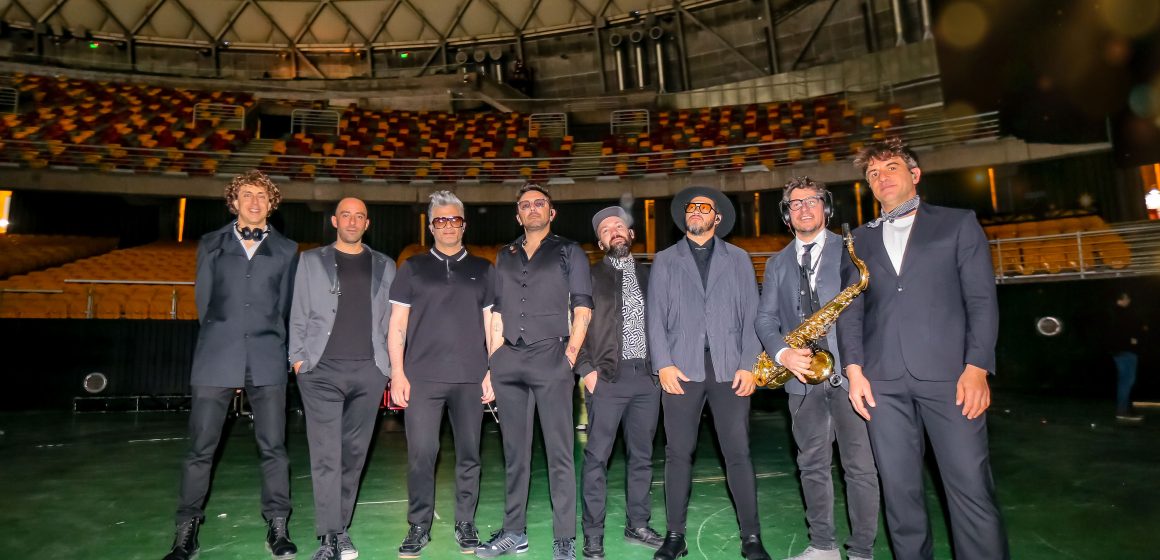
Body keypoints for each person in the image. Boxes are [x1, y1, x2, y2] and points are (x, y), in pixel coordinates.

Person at [837, 138, 1008, 560]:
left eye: (890, 167)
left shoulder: (957, 222)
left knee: (970, 486)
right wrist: (854, 370)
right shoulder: (857, 239)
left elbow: (982, 301)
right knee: (899, 493)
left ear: (914, 175)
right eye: (872, 174)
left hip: (953, 379)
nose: (881, 178)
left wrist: (977, 367)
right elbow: (851, 312)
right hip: (882, 382)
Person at [164, 170, 299, 560]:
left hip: (267, 357)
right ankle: (185, 531)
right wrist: (227, 342)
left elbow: (284, 308)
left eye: (262, 195)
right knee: (200, 449)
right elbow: (204, 305)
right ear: (234, 201)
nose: (254, 201)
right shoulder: (210, 244)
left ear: (271, 203)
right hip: (216, 355)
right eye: (246, 194)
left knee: (274, 447)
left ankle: (278, 526)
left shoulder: (288, 250)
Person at [755, 177, 879, 560]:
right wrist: (782, 355)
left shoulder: (852, 250)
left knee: (859, 468)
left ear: (825, 208)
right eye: (795, 204)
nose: (804, 208)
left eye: (812, 201)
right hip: (802, 378)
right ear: (787, 216)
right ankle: (822, 546)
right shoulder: (776, 263)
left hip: (849, 375)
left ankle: (861, 550)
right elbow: (764, 319)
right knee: (811, 465)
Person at [647, 186, 771, 560]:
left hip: (729, 367)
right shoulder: (666, 260)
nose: (697, 211)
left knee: (738, 453)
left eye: (705, 207)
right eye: (691, 207)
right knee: (678, 453)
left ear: (717, 218)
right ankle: (675, 536)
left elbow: (753, 316)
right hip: (680, 368)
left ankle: (751, 537)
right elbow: (654, 316)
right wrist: (663, 364)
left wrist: (750, 366)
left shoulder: (739, 258)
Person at [477, 184, 593, 560]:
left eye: (539, 203)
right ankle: (515, 532)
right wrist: (493, 362)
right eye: (525, 205)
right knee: (515, 454)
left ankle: (563, 540)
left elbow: (583, 309)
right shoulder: (505, 254)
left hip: (551, 357)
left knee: (560, 454)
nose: (532, 209)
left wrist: (569, 357)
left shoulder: (569, 251)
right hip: (508, 359)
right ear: (517, 215)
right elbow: (496, 312)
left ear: (551, 212)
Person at [387, 191, 496, 557]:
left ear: (464, 224)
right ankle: (418, 525)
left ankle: (465, 522)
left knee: (470, 454)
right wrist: (398, 374)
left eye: (454, 220)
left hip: (470, 377)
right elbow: (397, 326)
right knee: (421, 453)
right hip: (422, 378)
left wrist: (491, 371)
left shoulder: (483, 269)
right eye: (440, 220)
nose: (448, 226)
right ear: (431, 225)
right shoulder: (412, 268)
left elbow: (491, 325)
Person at [288, 197, 396, 560]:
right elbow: (298, 312)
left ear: (367, 223)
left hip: (369, 371)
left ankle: (341, 526)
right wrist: (299, 360)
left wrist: (387, 368)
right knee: (325, 456)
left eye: (360, 216)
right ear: (335, 220)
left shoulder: (385, 264)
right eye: (346, 214)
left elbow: (390, 322)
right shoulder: (310, 260)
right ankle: (329, 536)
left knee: (353, 454)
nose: (352, 221)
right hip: (320, 372)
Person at [575, 206, 664, 560]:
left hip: (647, 379)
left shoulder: (652, 275)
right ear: (600, 241)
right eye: (606, 228)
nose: (614, 230)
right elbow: (574, 327)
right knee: (597, 458)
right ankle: (593, 534)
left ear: (630, 235)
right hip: (607, 378)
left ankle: (637, 523)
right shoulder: (588, 277)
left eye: (620, 225)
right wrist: (587, 370)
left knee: (642, 457)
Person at [1109, 291, 1145, 422]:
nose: (1129, 301)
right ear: (1122, 299)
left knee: (1124, 381)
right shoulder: (1123, 313)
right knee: (1127, 381)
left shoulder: (1113, 313)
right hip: (1126, 351)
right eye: (1127, 299)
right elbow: (1133, 328)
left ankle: (1123, 409)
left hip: (1118, 351)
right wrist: (1134, 338)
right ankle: (1122, 411)